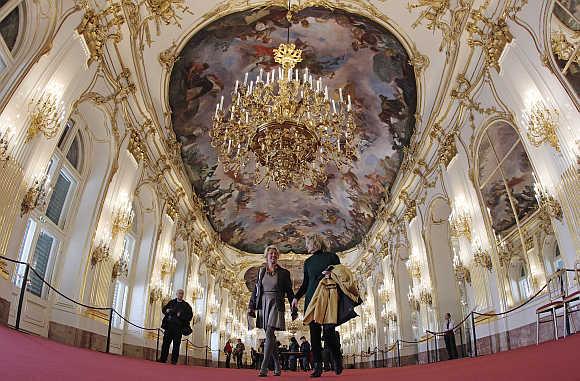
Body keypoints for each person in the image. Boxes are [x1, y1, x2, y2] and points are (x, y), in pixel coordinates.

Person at [293, 234, 343, 377]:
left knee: (328, 332)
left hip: (328, 296)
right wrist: (296, 297)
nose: (306, 246)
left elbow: (342, 275)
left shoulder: (332, 257)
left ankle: (336, 357)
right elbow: (305, 284)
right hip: (311, 299)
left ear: (314, 243)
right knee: (314, 334)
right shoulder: (308, 262)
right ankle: (318, 367)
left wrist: (331, 274)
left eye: (308, 243)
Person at [248, 245, 295, 377]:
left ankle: (264, 367)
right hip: (263, 303)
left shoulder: (284, 273)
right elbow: (256, 290)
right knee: (270, 337)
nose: (273, 255)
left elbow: (289, 292)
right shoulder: (261, 271)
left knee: (269, 331)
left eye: (275, 254)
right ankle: (278, 366)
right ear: (266, 256)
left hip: (276, 303)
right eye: (271, 253)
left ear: (278, 256)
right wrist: (251, 306)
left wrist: (293, 306)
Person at [158, 289, 193, 365]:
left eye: (182, 293)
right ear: (176, 294)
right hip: (169, 327)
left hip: (178, 328)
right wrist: (167, 310)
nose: (180, 295)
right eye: (179, 293)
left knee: (176, 345)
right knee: (165, 343)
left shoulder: (186, 305)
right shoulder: (171, 302)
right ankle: (163, 358)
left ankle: (174, 360)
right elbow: (164, 309)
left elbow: (190, 316)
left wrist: (180, 316)